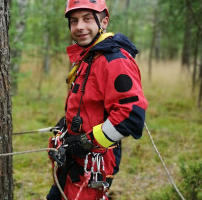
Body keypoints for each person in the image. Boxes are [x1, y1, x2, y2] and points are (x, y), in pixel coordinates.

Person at [47, 0, 148, 200]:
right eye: (74, 21)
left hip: (93, 163)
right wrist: (66, 125)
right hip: (74, 158)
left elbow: (131, 116)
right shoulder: (90, 56)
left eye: (87, 19)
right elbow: (89, 105)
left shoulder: (114, 61)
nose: (80, 27)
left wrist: (86, 141)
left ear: (104, 22)